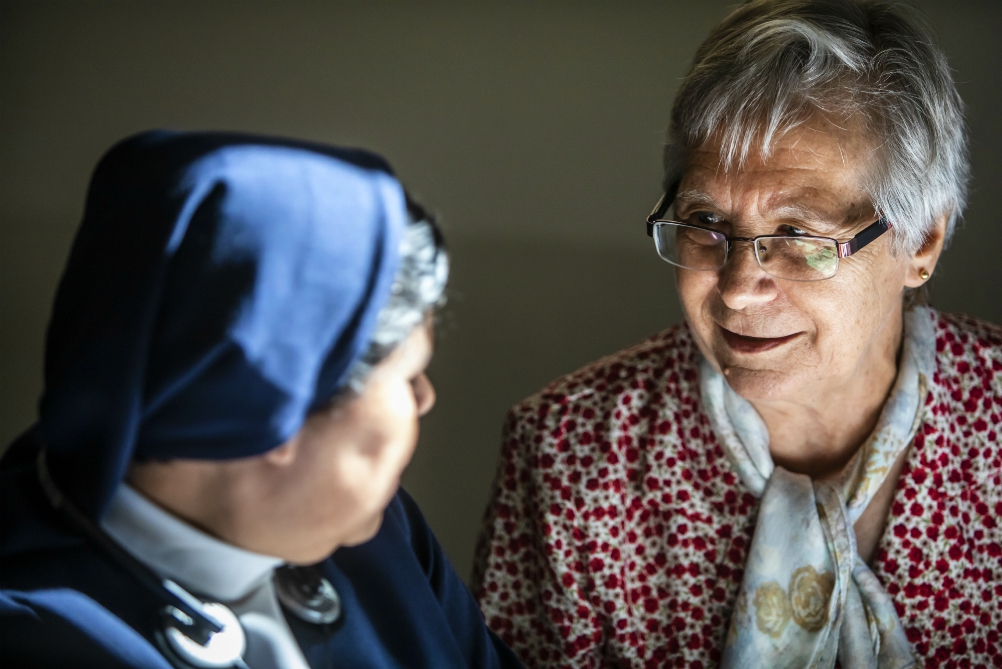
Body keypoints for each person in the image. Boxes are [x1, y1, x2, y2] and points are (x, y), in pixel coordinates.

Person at [474, 1, 1000, 667]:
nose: (735, 286)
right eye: (705, 220)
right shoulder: (568, 455)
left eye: (797, 234)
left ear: (922, 240)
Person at [0, 131, 523, 669]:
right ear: (279, 409)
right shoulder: (31, 639)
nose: (425, 398)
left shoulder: (383, 536)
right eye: (409, 376)